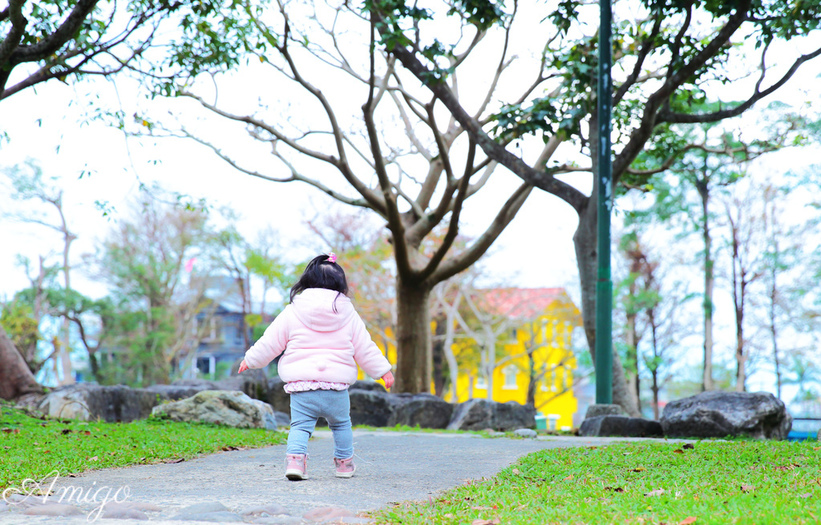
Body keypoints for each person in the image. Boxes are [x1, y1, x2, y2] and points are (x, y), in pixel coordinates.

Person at [238, 253, 394, 481]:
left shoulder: (293, 310)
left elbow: (270, 341)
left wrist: (251, 359)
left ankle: (295, 463)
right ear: (341, 284)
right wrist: (382, 370)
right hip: (336, 388)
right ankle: (344, 464)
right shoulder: (348, 313)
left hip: (303, 387)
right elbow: (364, 346)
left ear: (307, 281)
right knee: (341, 426)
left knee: (300, 427)